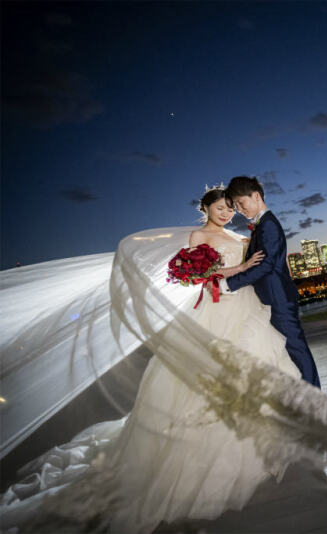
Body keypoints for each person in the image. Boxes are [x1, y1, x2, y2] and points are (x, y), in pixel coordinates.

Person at [0, 186, 309, 533]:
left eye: (230, 208)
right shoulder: (197, 235)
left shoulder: (240, 234)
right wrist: (235, 268)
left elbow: (263, 264)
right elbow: (199, 276)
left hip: (246, 307)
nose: (226, 213)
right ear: (205, 208)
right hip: (216, 308)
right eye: (220, 208)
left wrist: (250, 267)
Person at [222, 176, 321, 389]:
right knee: (291, 350)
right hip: (273, 297)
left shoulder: (268, 225)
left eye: (241, 203)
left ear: (256, 196)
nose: (239, 209)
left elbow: (266, 266)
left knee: (296, 349)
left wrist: (229, 284)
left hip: (279, 299)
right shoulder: (262, 226)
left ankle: (316, 399)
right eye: (236, 205)